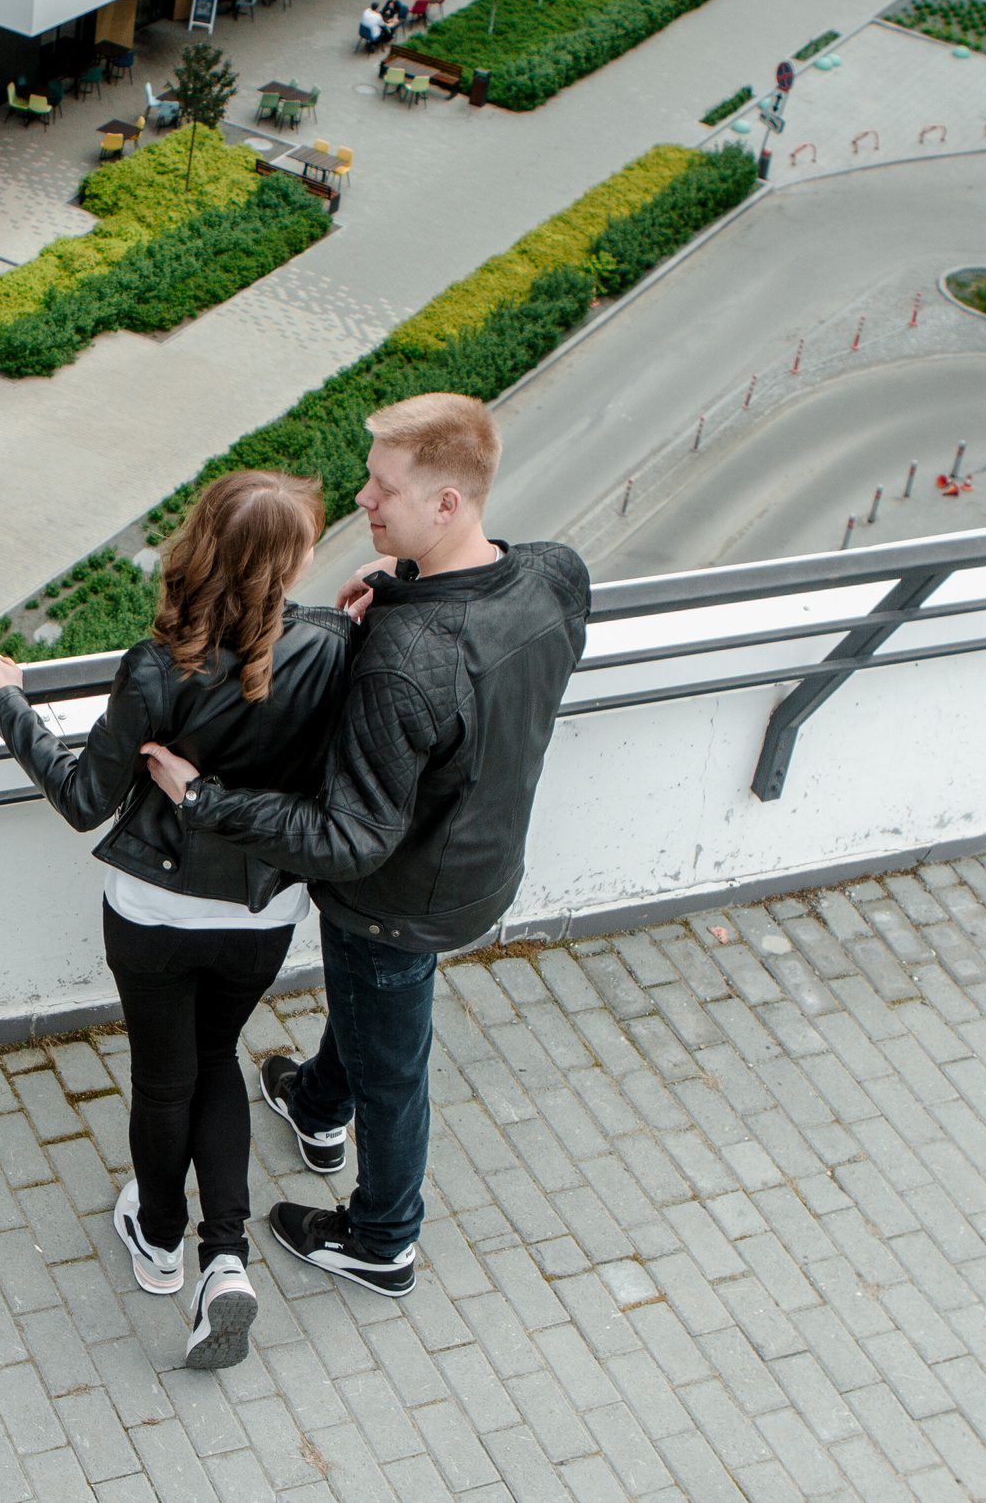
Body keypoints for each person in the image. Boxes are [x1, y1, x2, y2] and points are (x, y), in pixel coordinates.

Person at [139, 394, 591, 1299]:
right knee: (376, 1015)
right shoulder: (553, 573)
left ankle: (383, 1236)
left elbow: (347, 836)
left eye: (385, 489)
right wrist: (399, 578)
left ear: (447, 504)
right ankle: (313, 1103)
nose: (365, 499)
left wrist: (206, 797)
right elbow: (482, 657)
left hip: (394, 902)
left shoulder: (401, 657)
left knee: (396, 1067)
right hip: (482, 864)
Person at [0, 471, 357, 1368]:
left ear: (197, 542)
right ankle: (225, 1259)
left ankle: (161, 1237)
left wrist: (5, 702)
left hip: (153, 913)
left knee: (165, 1073)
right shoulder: (334, 645)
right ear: (291, 562)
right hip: (261, 911)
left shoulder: (156, 665)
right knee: (217, 1058)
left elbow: (84, 797)